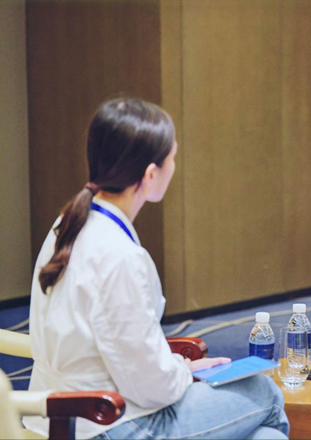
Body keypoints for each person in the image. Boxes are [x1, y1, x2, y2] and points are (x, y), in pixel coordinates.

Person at [24, 98, 289, 440]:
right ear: (150, 175)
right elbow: (151, 389)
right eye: (172, 158)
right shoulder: (120, 256)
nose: (174, 166)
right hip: (110, 423)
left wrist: (179, 368)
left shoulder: (66, 225)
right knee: (263, 392)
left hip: (54, 415)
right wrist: (184, 370)